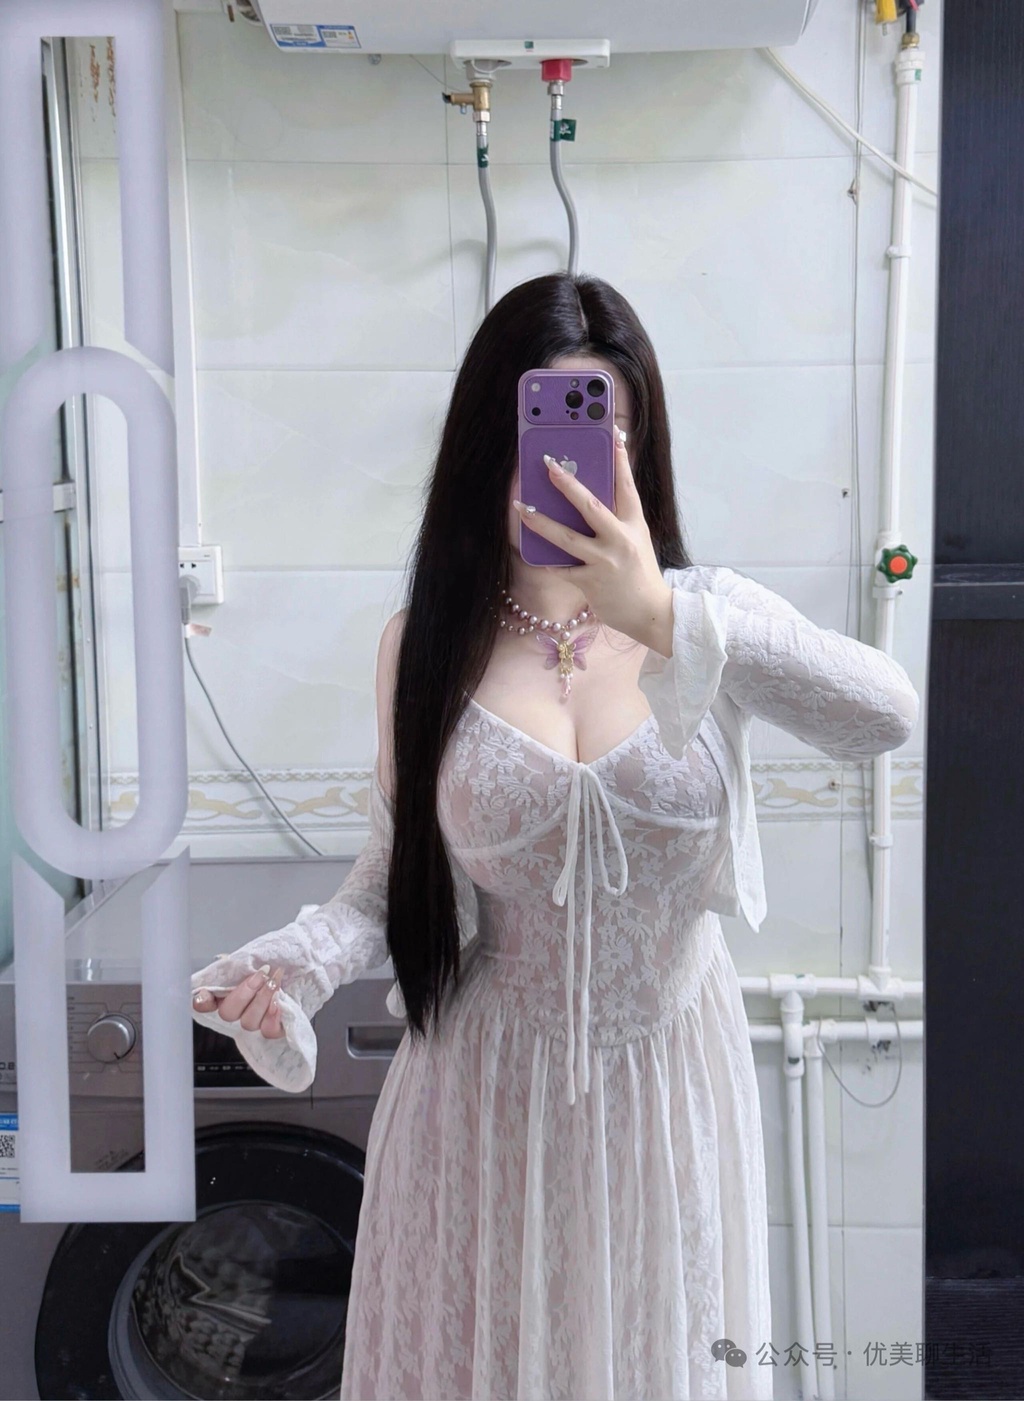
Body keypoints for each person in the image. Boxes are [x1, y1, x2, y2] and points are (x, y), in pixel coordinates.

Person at [191, 272, 921, 1401]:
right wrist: (306, 960)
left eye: (611, 432)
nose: (580, 462)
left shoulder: (710, 617)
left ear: (642, 445)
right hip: (481, 1099)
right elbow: (394, 877)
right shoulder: (425, 643)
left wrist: (659, 614)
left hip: (669, 1093)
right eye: (551, 429)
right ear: (493, 442)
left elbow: (885, 716)